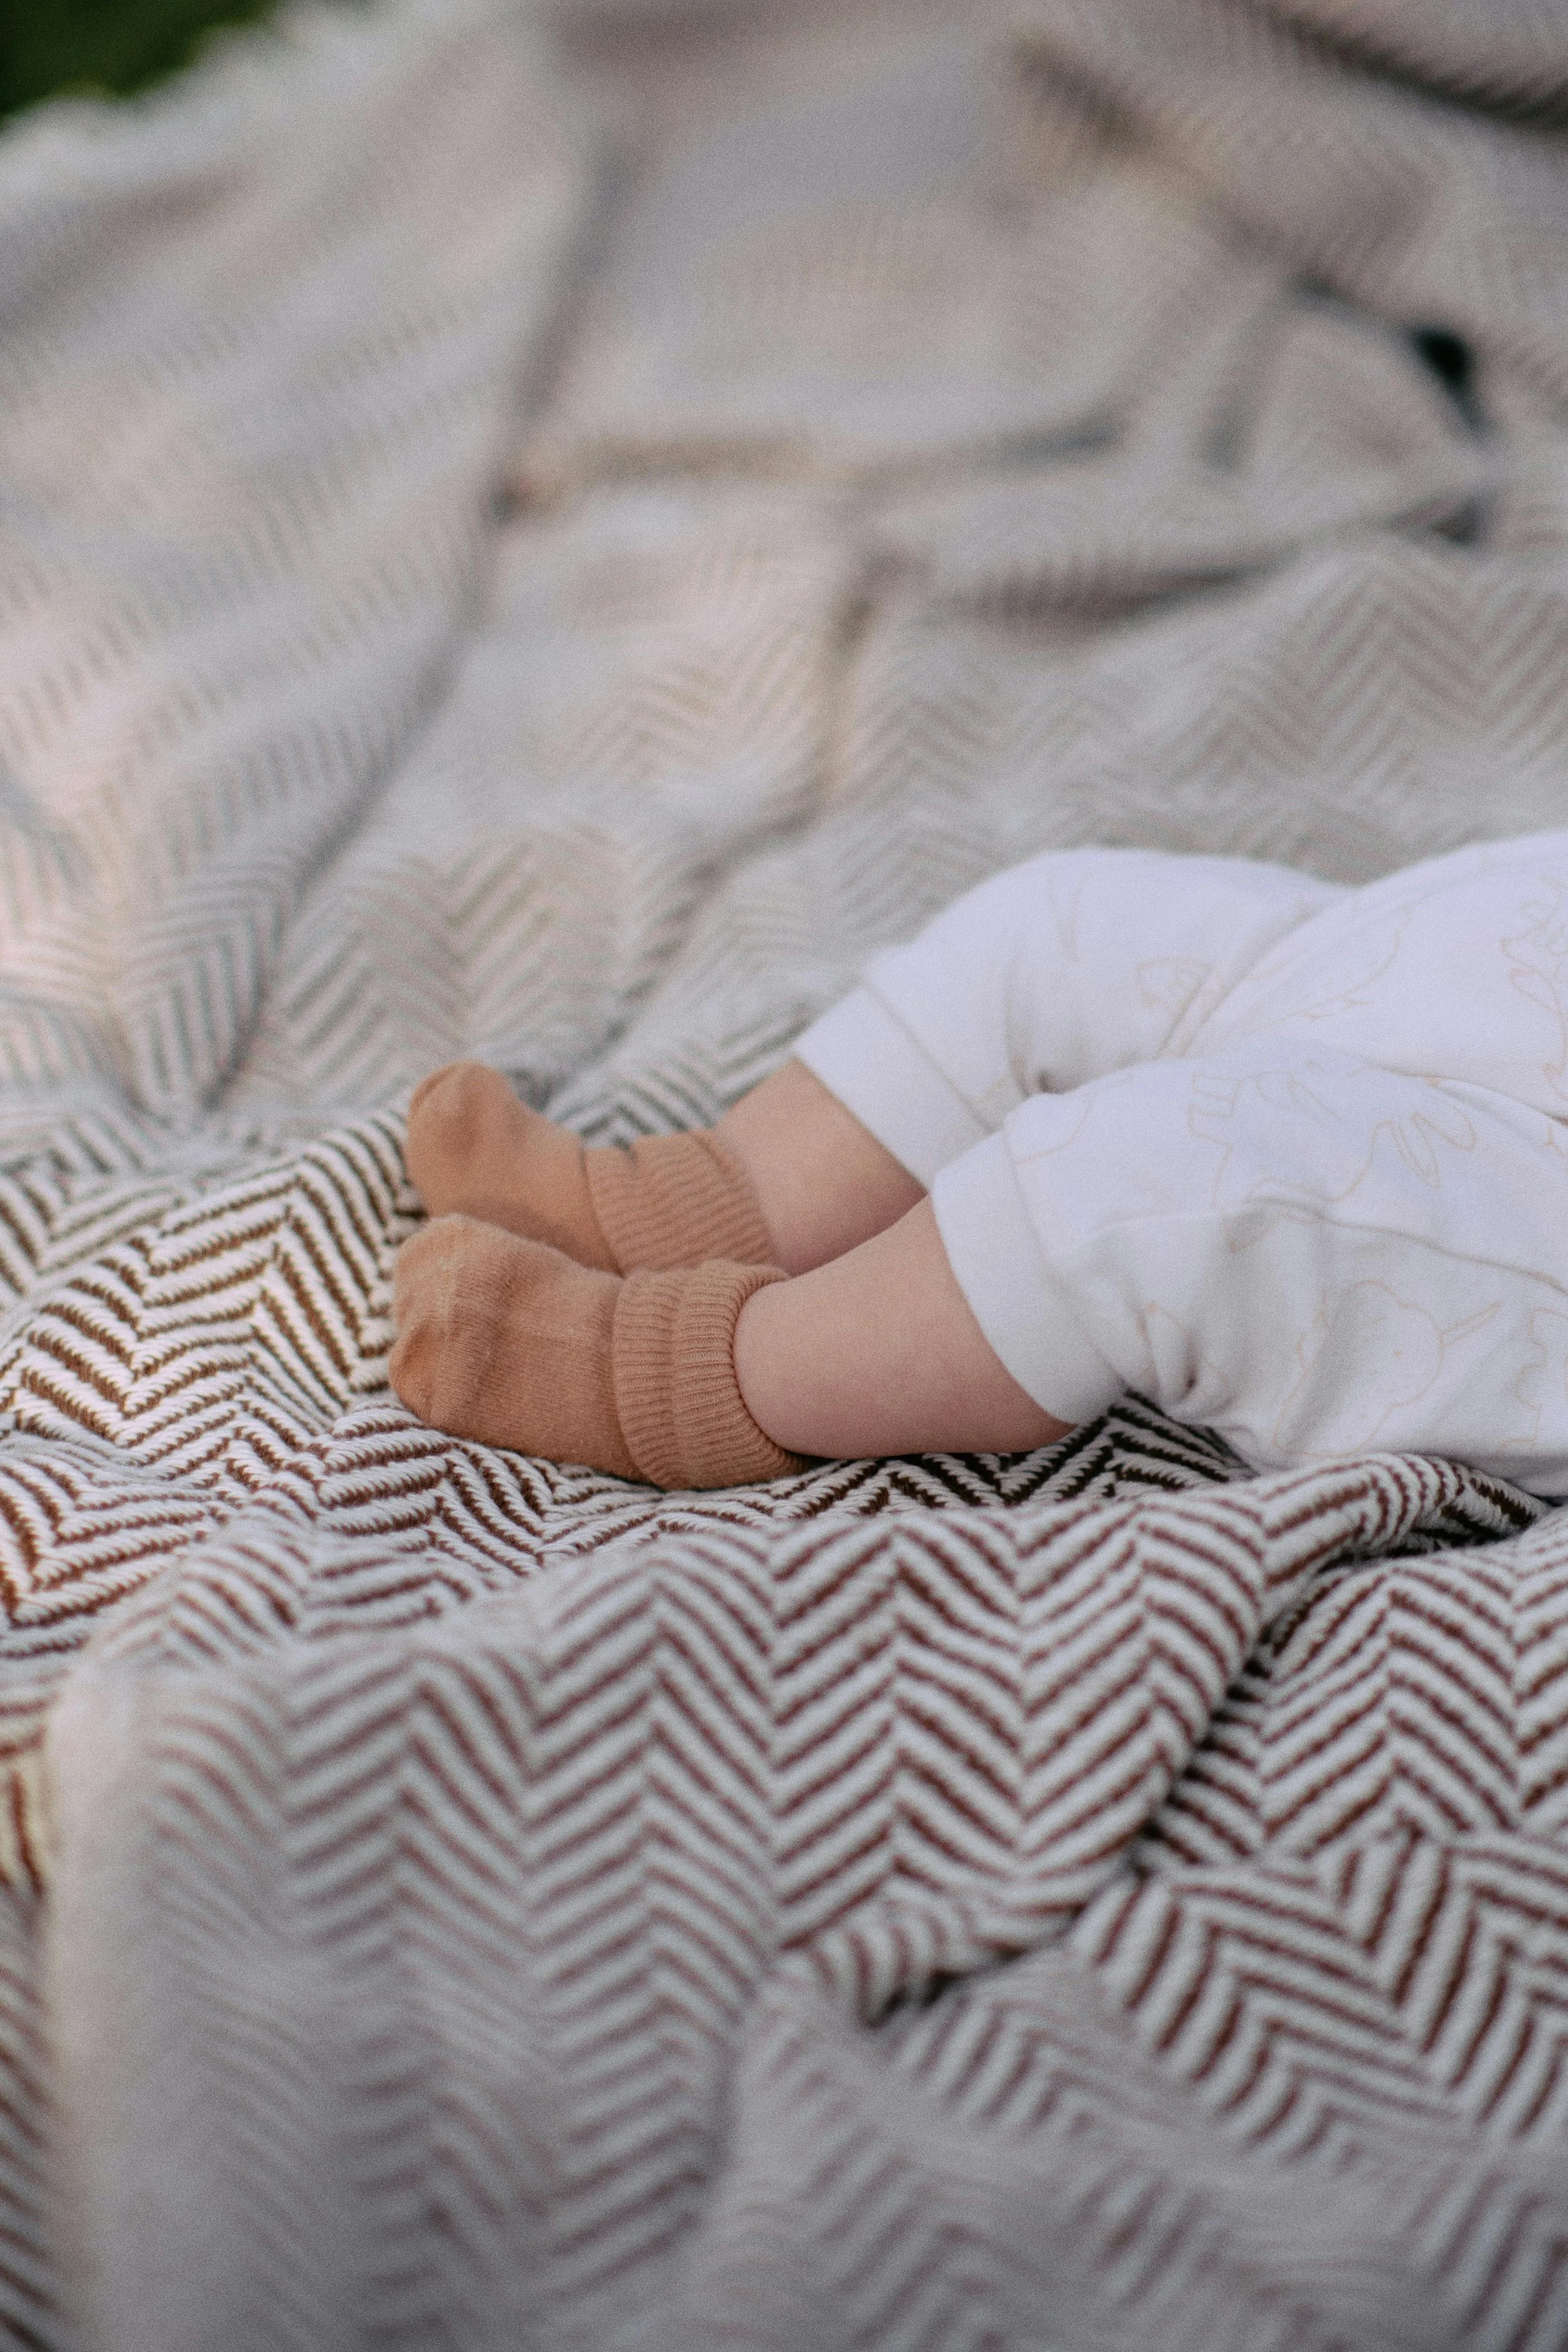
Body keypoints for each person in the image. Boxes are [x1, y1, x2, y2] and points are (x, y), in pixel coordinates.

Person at [389, 832, 1568, 1495]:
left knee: (1172, 1189)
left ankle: (690, 1376)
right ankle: (702, 1203)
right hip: (1459, 958)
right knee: (1067, 924)